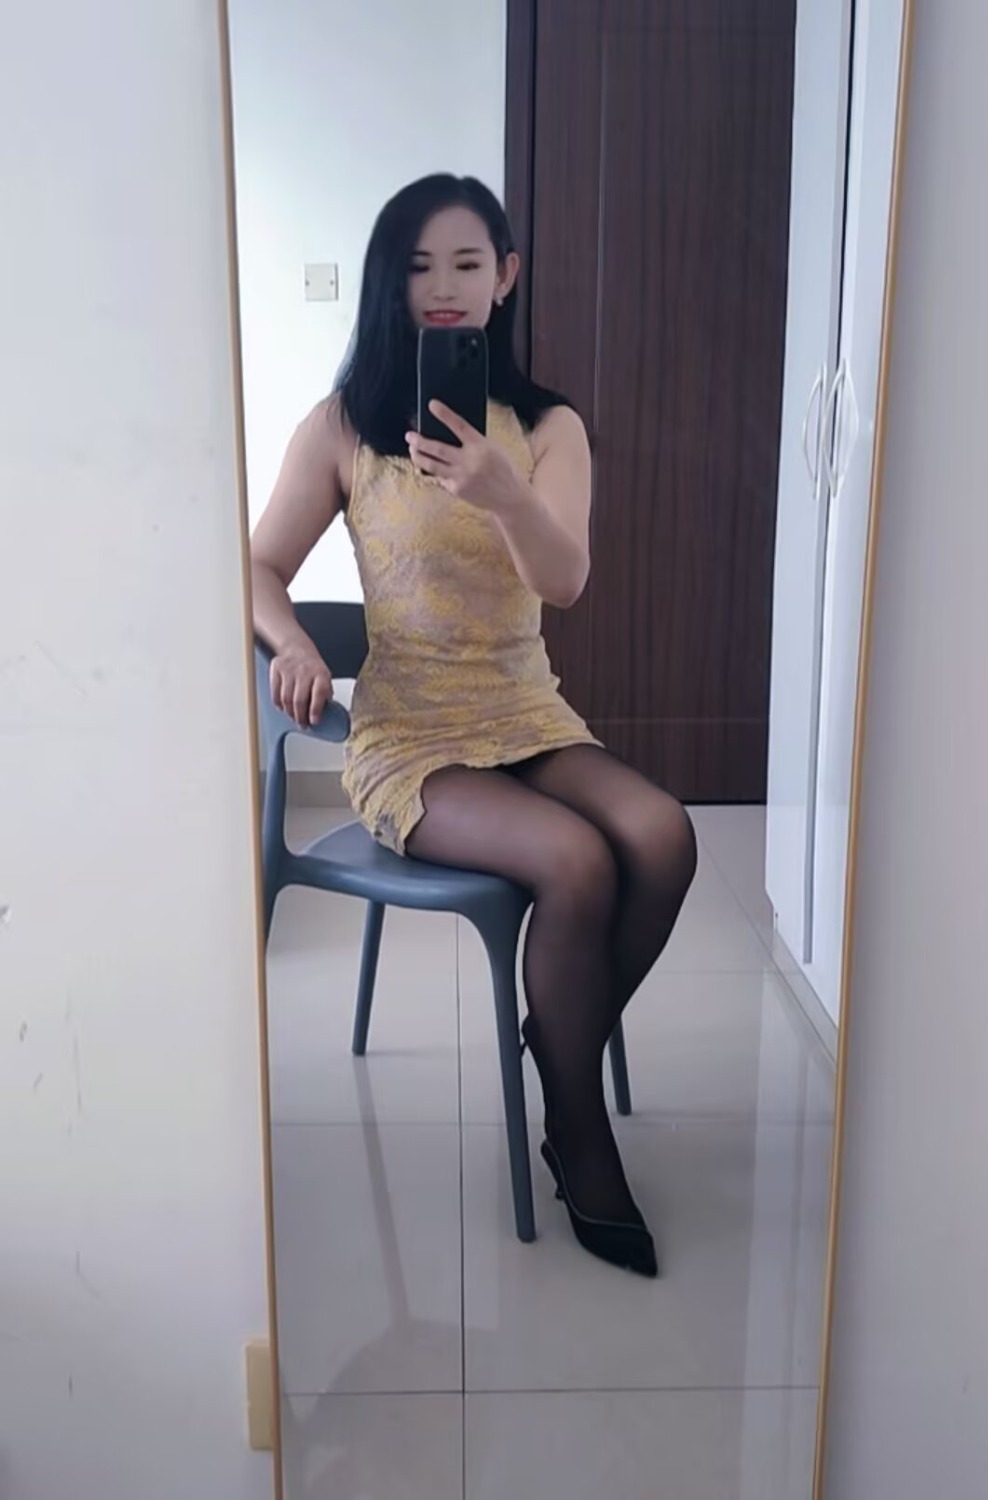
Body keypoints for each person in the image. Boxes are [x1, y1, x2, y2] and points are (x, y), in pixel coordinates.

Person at [250, 174, 697, 1278]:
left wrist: (504, 492)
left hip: (524, 708)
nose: (442, 286)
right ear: (389, 284)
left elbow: (565, 582)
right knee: (577, 863)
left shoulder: (546, 428)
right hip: (411, 735)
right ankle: (576, 1129)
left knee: (663, 835)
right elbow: (257, 565)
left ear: (506, 277)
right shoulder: (344, 427)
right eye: (417, 267)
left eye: (465, 263)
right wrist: (293, 645)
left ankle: (556, 1032)